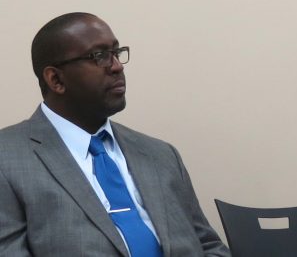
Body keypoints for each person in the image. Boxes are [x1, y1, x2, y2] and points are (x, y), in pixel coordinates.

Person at [0, 13, 230, 256]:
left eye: (116, 53)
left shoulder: (161, 155)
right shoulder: (8, 159)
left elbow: (210, 247)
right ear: (56, 79)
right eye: (99, 56)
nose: (117, 66)